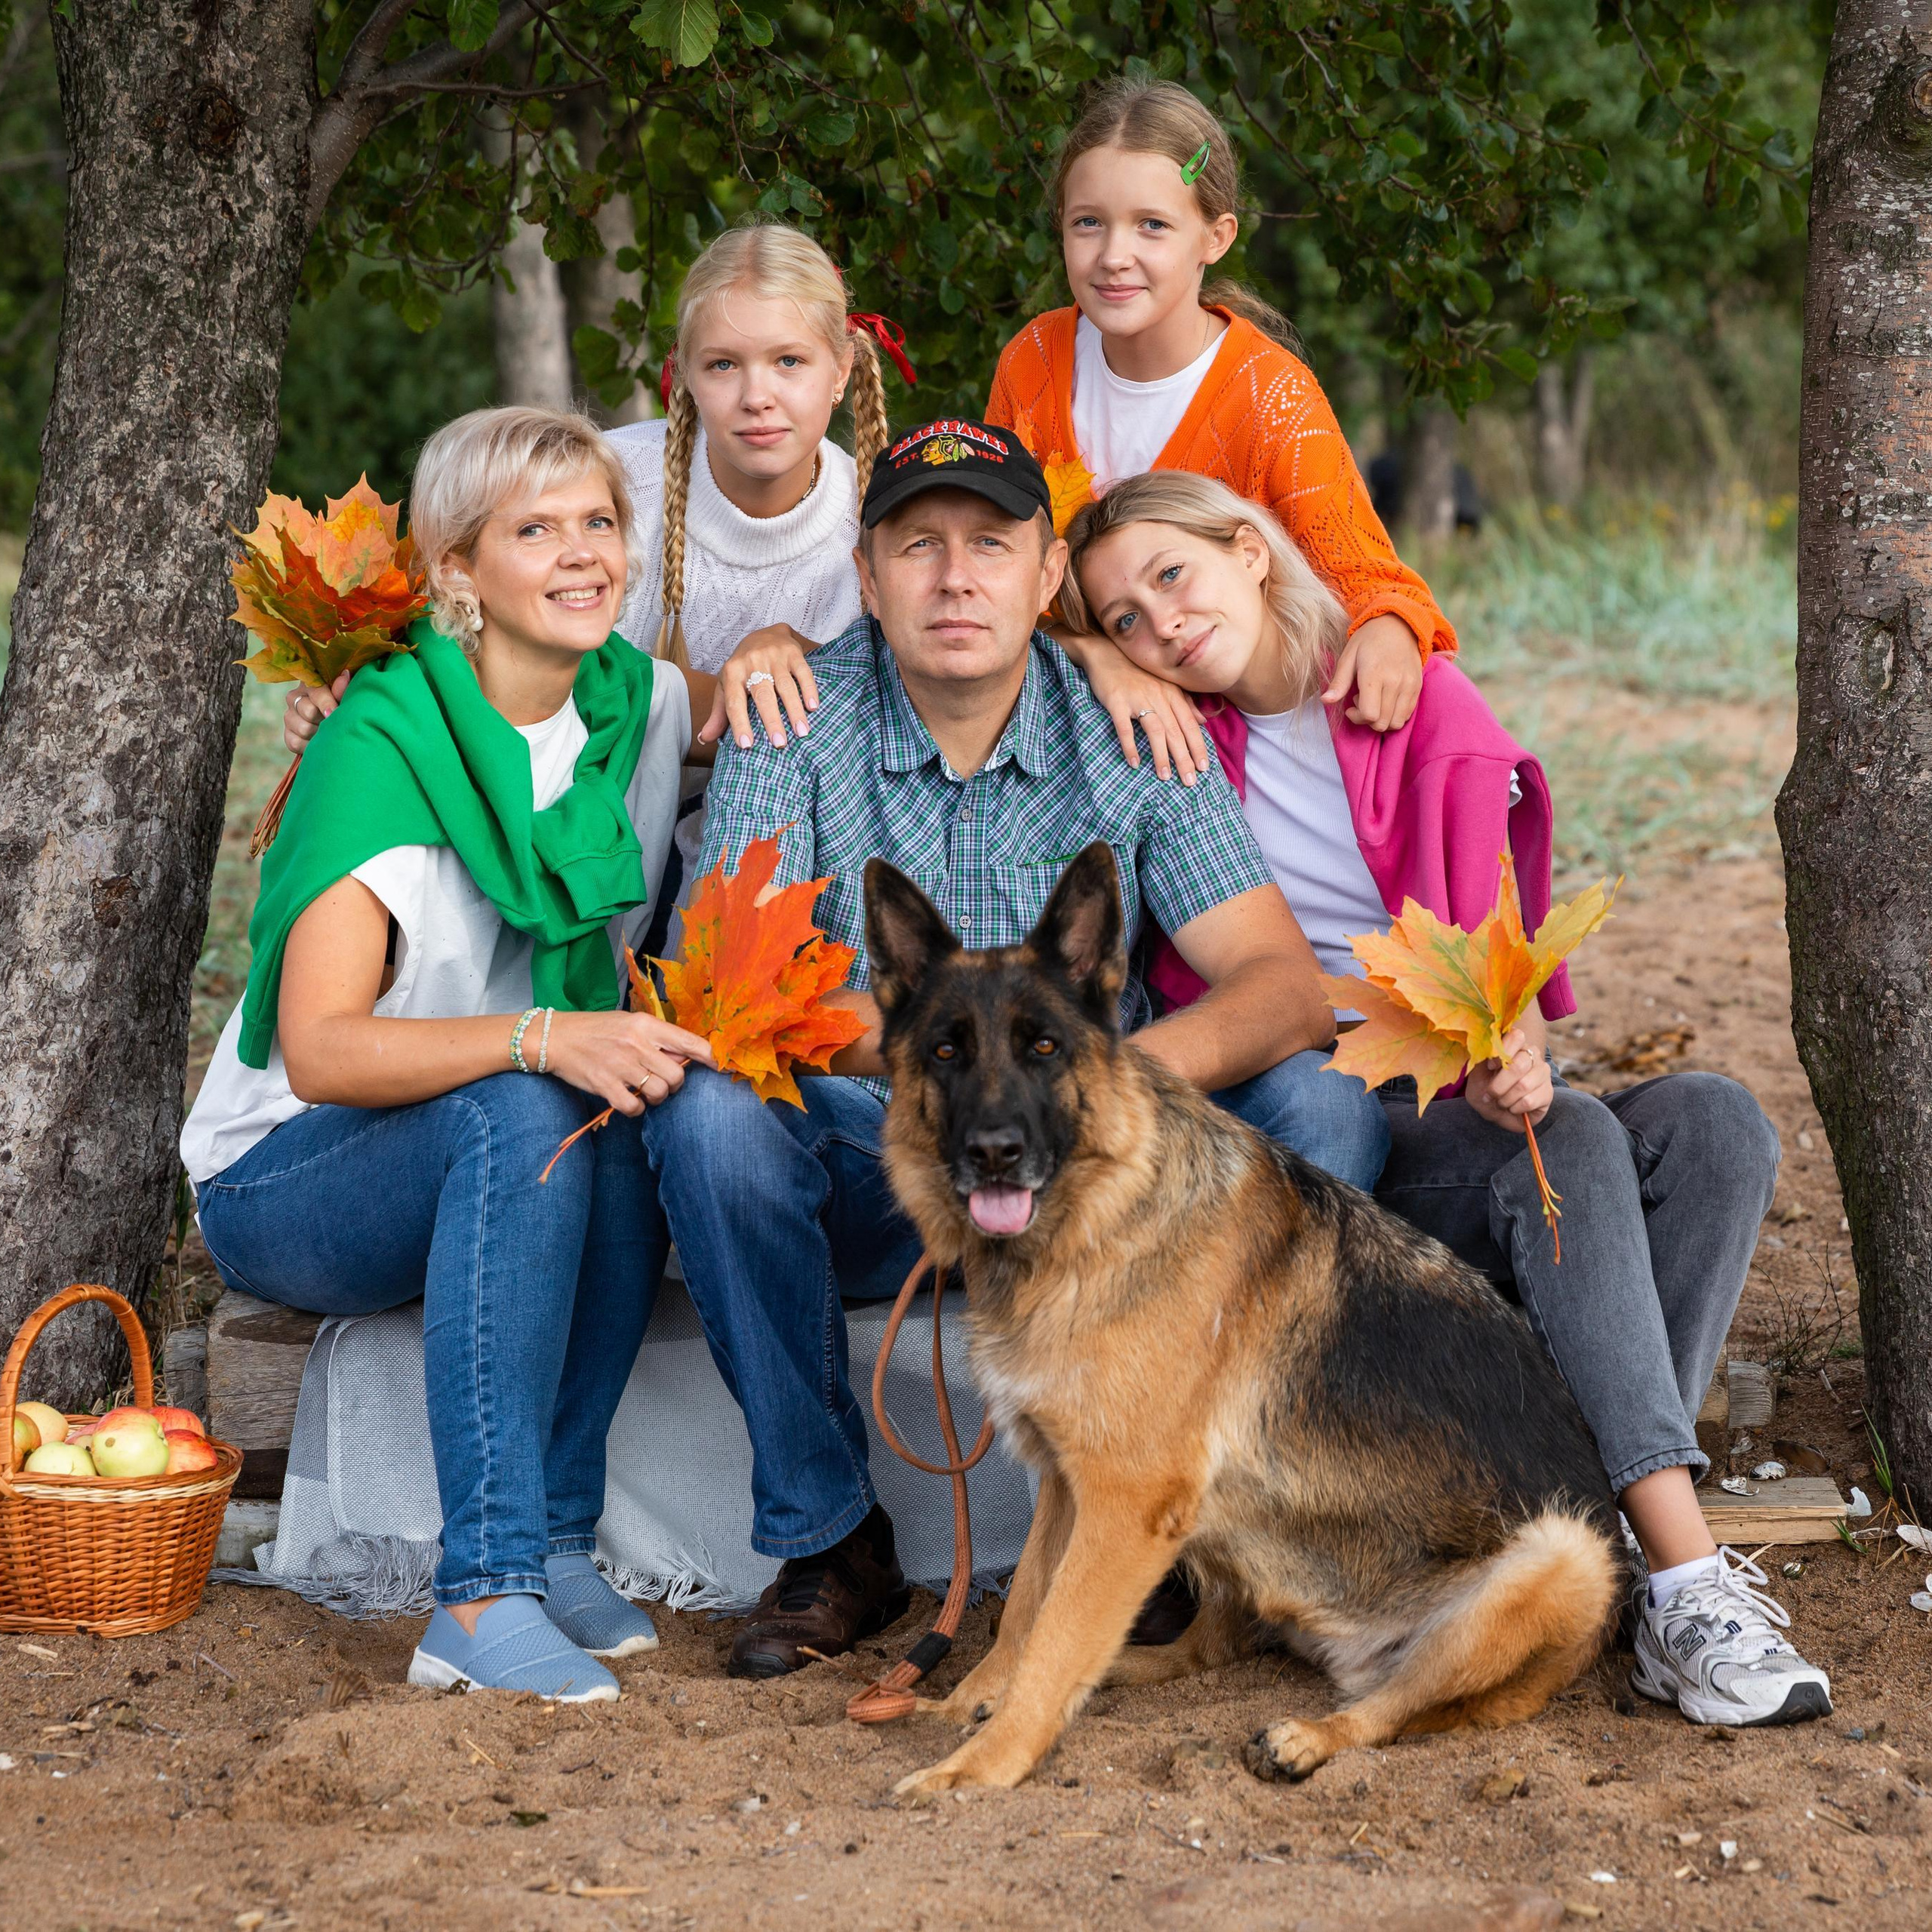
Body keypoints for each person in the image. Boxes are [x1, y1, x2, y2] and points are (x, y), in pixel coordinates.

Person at [1061, 469, 1834, 1728]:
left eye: (1172, 576)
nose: (1162, 624)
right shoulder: (1173, 745)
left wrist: (1512, 1043)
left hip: (1449, 1089)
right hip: (1316, 1114)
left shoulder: (1418, 703)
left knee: (1715, 1126)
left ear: (1250, 551)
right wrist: (1098, 659)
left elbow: (1494, 963)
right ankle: (1683, 1578)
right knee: (1572, 1137)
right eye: (1125, 619)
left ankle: (1601, 1520)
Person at [639, 418, 1389, 1680]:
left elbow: (1280, 988)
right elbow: (735, 995)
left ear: (1047, 577)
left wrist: (1084, 1096)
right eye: (917, 547)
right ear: (866, 575)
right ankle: (830, 1536)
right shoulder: (790, 723)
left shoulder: (1130, 726)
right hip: (885, 1170)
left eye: (991, 545)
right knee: (709, 1117)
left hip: (1105, 1185)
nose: (955, 578)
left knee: (1326, 1108)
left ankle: (1189, 1513)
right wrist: (975, 1088)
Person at [183, 408, 713, 1703]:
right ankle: (479, 1597)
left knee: (628, 1103)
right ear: (459, 571)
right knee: (528, 1104)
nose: (584, 554)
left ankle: (555, 1540)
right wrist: (542, 1037)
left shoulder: (640, 707)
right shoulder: (379, 741)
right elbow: (322, 1052)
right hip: (291, 1176)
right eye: (536, 530)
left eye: (601, 522)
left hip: (499, 1128)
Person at [282, 221, 912, 899]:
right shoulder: (604, 483)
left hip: (774, 870)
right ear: (685, 374)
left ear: (842, 370)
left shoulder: (889, 524)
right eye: (723, 365)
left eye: (789, 361)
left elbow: (907, 716)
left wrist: (806, 653)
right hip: (556, 834)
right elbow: (456, 599)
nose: (757, 395)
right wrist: (359, 682)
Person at [984, 76, 1454, 779]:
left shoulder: (1268, 396)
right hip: (1067, 719)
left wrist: (1389, 625)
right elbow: (1000, 565)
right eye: (1088, 223)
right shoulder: (1033, 362)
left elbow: (1369, 577)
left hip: (1230, 752)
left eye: (1152, 225)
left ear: (1216, 236)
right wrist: (1101, 654)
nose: (1113, 255)